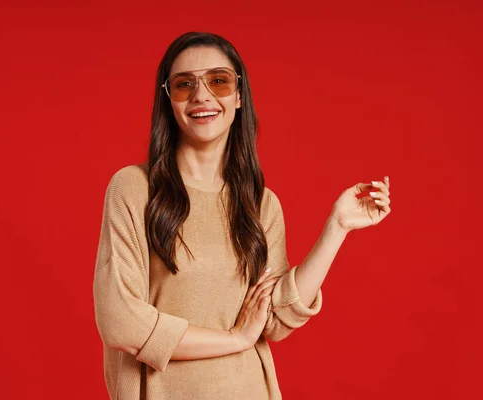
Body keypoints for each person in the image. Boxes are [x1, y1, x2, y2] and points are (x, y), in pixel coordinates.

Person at [93, 31, 391, 400]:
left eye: (218, 80)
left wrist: (337, 226)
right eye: (185, 84)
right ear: (168, 100)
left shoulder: (261, 203)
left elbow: (276, 318)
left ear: (238, 96)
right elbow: (121, 322)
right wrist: (234, 338)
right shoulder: (135, 189)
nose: (202, 95)